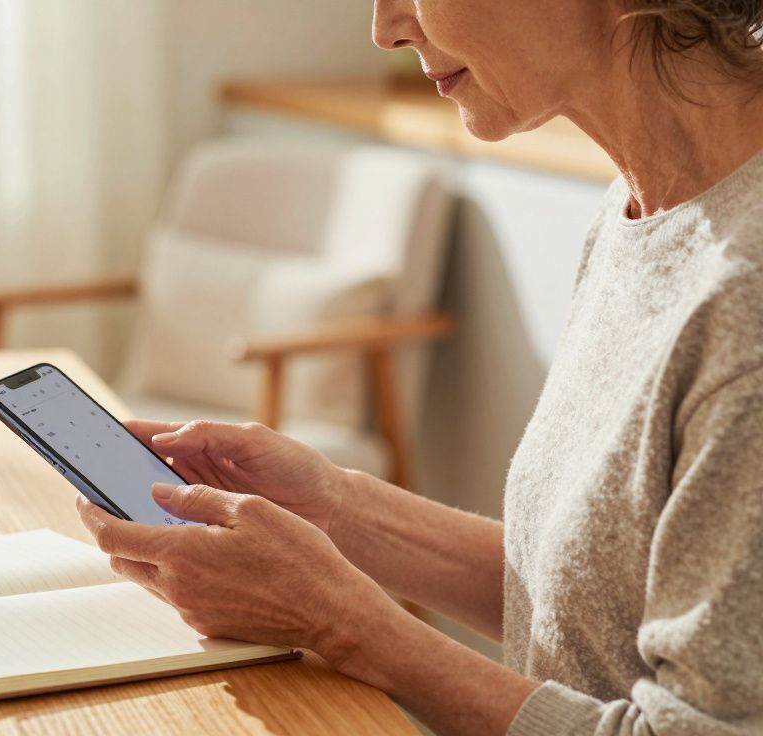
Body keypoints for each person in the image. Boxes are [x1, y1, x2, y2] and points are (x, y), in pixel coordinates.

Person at [77, 2, 763, 735]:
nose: (387, 27)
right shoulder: (646, 211)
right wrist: (335, 509)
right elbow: (599, 599)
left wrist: (345, 625)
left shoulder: (744, 303)